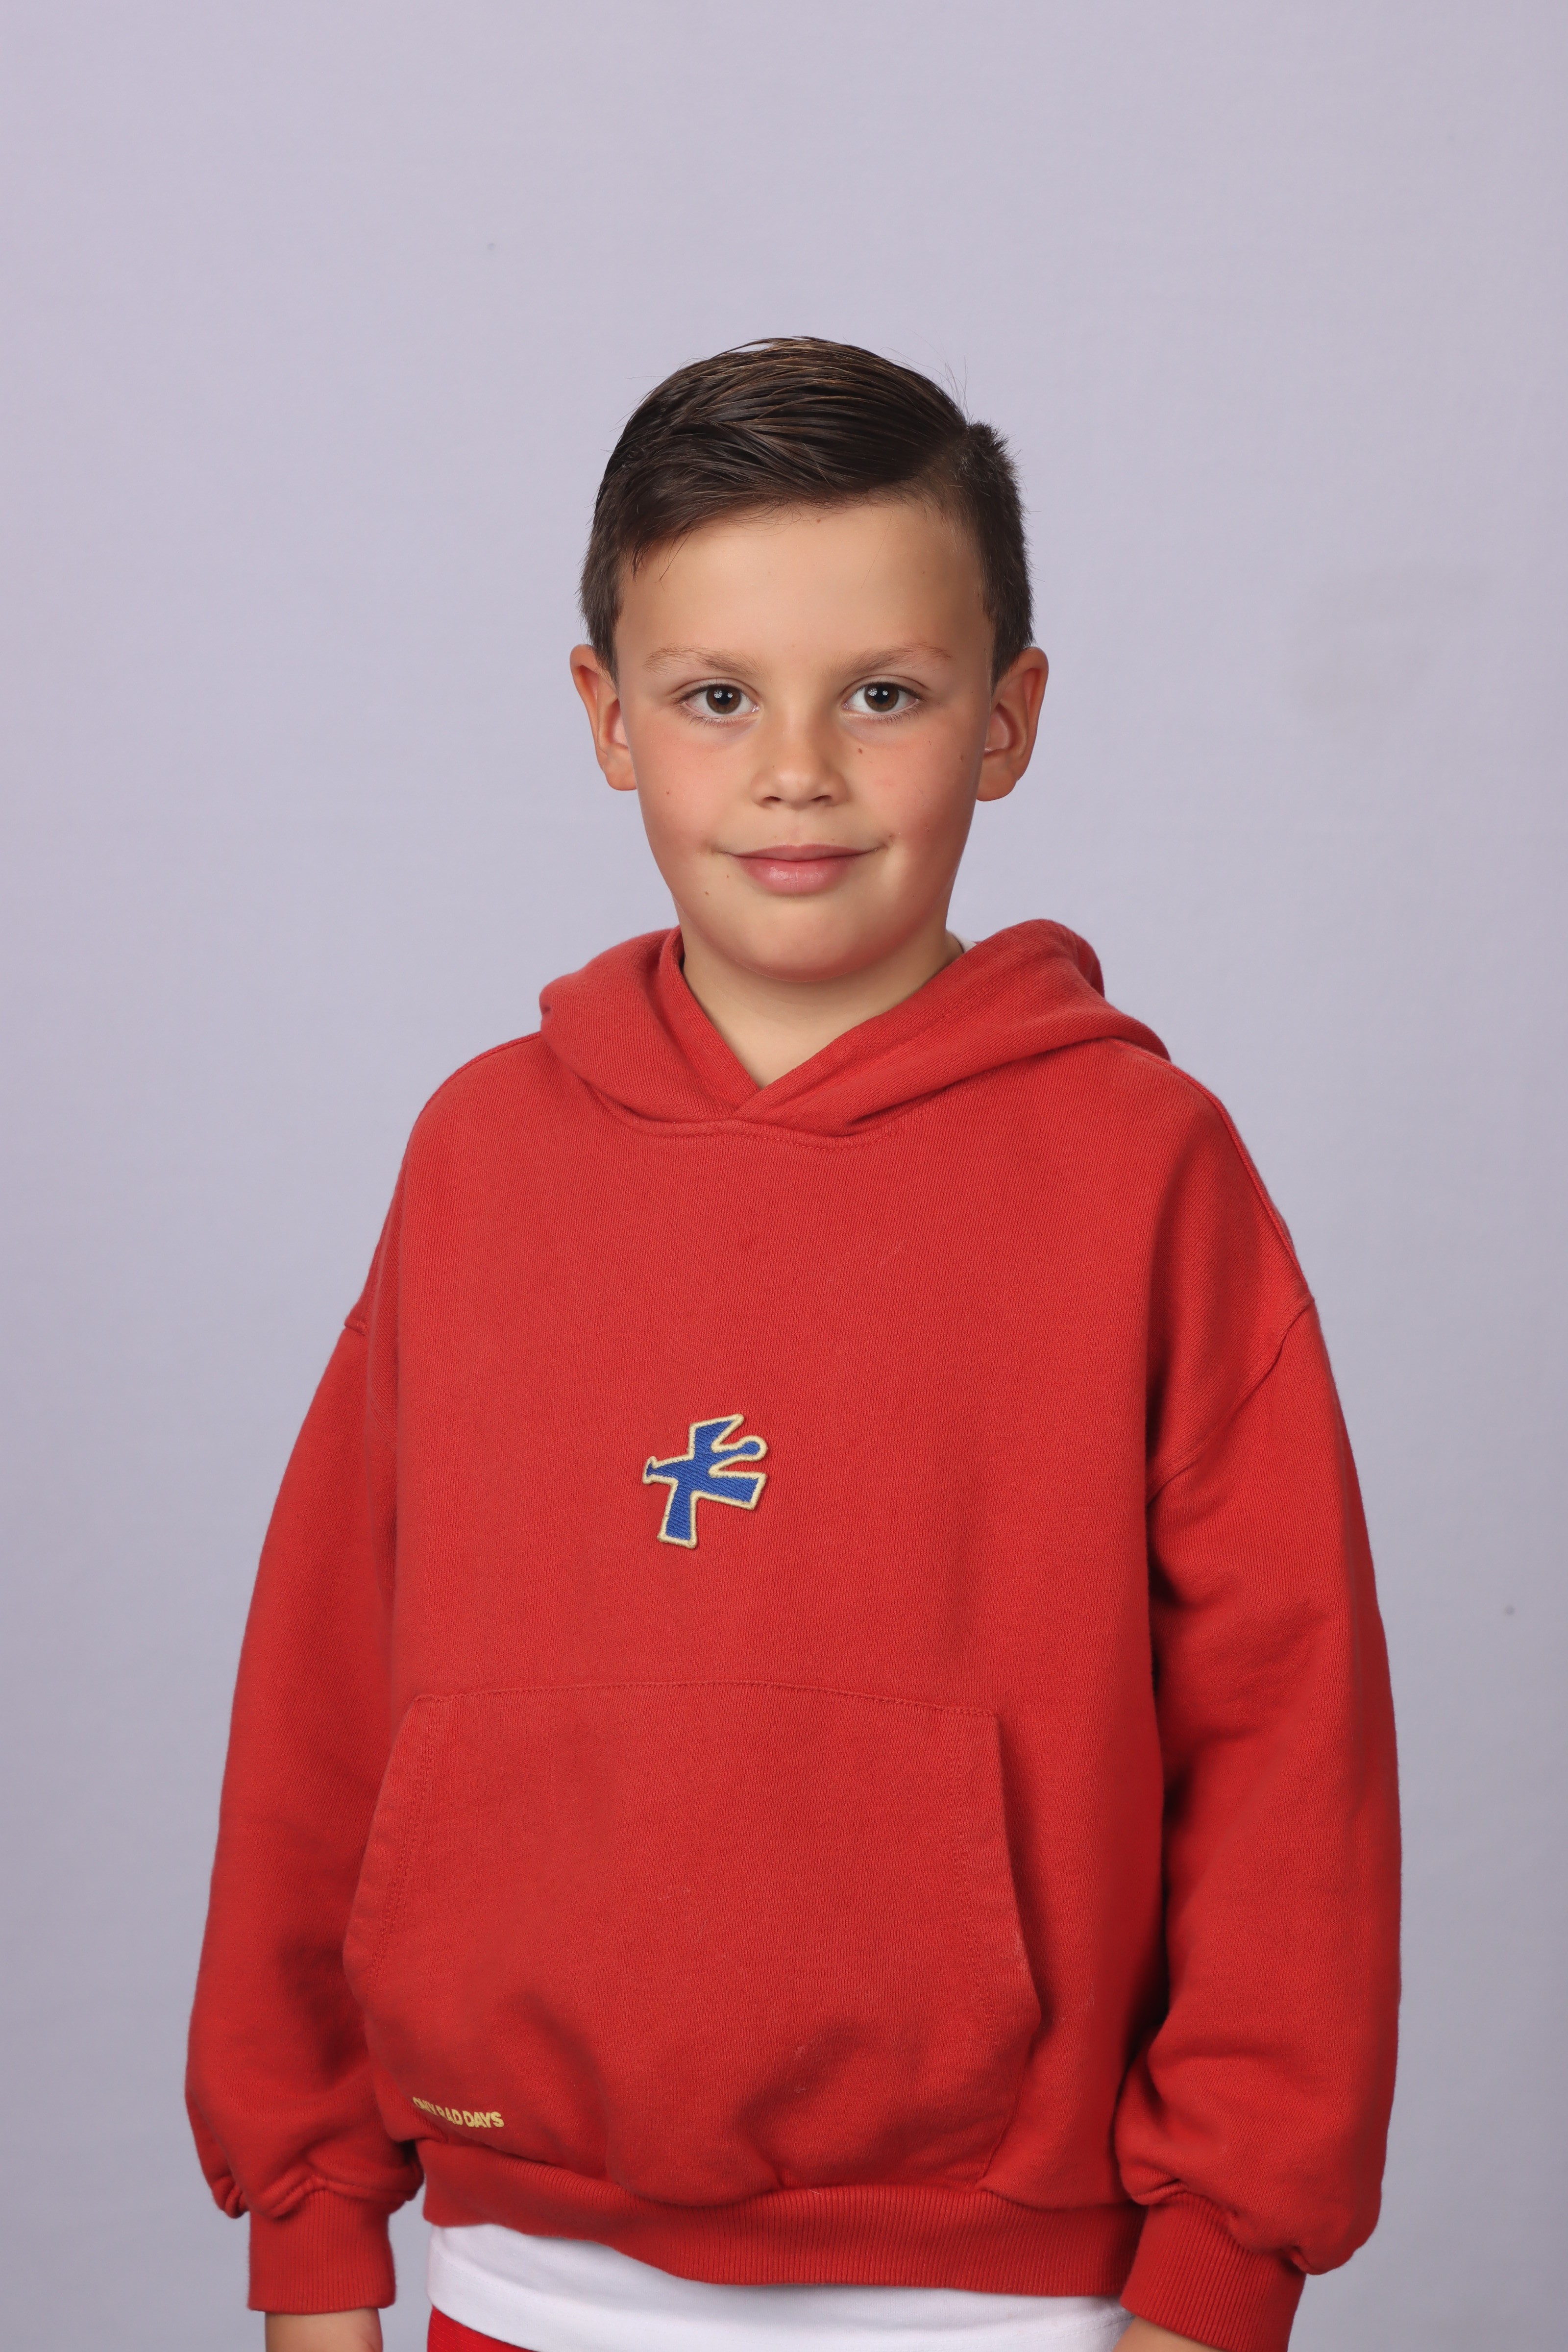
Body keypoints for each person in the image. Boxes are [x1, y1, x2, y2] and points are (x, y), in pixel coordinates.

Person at [187, 339, 1399, 2352]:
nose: (796, 772)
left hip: (1005, 2299)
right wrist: (311, 2222)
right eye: (717, 696)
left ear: (1007, 720)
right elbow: (320, 1684)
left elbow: (1287, 1743)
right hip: (517, 2262)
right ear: (608, 718)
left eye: (884, 696)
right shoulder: (481, 1153)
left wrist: (1225, 2265)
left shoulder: (1142, 1171)